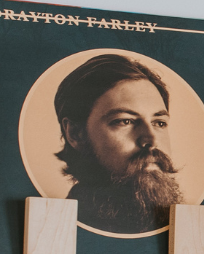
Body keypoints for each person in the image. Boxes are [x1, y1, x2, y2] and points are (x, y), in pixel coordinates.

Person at [54, 54, 183, 233]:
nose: (152, 140)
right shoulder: (57, 230)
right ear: (76, 134)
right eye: (125, 121)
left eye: (159, 123)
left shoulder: (185, 230)